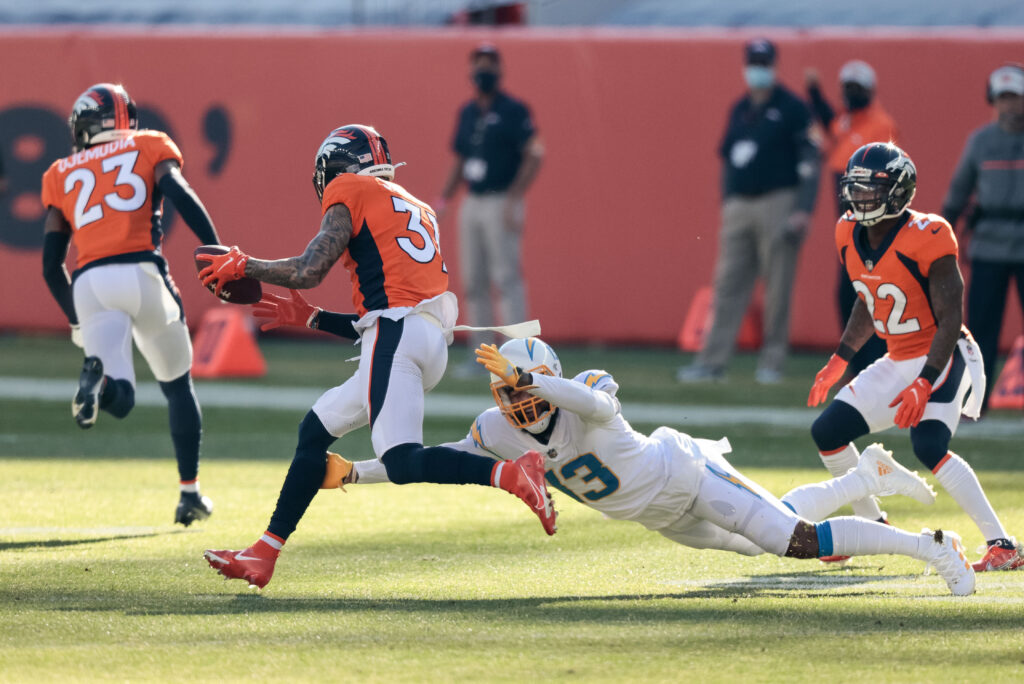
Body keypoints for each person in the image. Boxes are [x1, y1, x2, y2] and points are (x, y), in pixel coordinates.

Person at [266, 332, 971, 596]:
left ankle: (931, 547)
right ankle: (860, 479)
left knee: (795, 543)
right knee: (776, 527)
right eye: (509, 395)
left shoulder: (587, 394)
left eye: (525, 391)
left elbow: (592, 406)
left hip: (685, 474)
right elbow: (429, 460)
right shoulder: (499, 430)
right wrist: (357, 472)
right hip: (661, 518)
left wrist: (537, 381)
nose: (518, 406)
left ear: (544, 383)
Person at [199, 124, 555, 590]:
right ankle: (264, 553)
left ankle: (509, 472)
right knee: (314, 431)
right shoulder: (416, 205)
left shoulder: (350, 189)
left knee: (403, 462)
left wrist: (246, 265)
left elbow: (310, 270)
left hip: (399, 339)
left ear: (339, 167)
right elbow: (389, 312)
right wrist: (313, 320)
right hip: (422, 341)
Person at [807, 141, 1022, 572]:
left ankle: (1004, 545)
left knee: (927, 444)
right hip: (899, 354)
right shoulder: (847, 231)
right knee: (827, 431)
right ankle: (872, 525)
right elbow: (869, 300)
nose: (861, 198)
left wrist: (924, 382)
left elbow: (950, 318)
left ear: (899, 190)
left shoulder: (930, 234)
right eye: (857, 188)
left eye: (872, 189)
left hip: (945, 352)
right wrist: (841, 358)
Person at [40, 83, 221, 526]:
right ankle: (189, 493)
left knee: (122, 400)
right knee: (178, 385)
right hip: (142, 272)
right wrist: (215, 247)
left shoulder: (60, 172)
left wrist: (76, 319)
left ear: (85, 124)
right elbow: (177, 193)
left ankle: (100, 385)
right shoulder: (148, 144)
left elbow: (50, 265)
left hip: (89, 283)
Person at [678, 38, 820, 385]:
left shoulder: (793, 108)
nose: (758, 68)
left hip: (779, 200)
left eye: (764, 62)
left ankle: (772, 361)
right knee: (727, 282)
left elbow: (811, 160)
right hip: (741, 204)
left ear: (773, 65)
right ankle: (711, 361)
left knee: (777, 285)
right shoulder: (739, 108)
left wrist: (803, 208)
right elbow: (727, 158)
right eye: (754, 61)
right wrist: (727, 199)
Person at [437, 43, 544, 376]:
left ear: (500, 70)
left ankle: (521, 356)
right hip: (474, 198)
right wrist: (445, 198)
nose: (484, 72)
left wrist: (515, 197)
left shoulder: (513, 110)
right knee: (474, 281)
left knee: (506, 279)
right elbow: (461, 157)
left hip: (501, 199)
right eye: (479, 65)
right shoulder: (468, 112)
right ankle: (482, 358)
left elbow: (535, 153)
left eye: (489, 65)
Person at [806, 60, 898, 378]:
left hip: (871, 223)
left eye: (857, 88)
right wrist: (815, 94)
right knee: (846, 293)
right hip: (849, 225)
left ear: (871, 91)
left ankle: (874, 365)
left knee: (867, 292)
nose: (851, 94)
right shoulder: (848, 121)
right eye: (847, 88)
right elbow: (833, 124)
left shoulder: (879, 124)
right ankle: (856, 364)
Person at [942, 63, 1024, 413]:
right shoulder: (980, 142)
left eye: (1015, 97)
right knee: (980, 330)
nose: (1008, 105)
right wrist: (941, 240)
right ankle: (975, 403)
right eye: (1002, 98)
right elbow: (957, 194)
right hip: (989, 245)